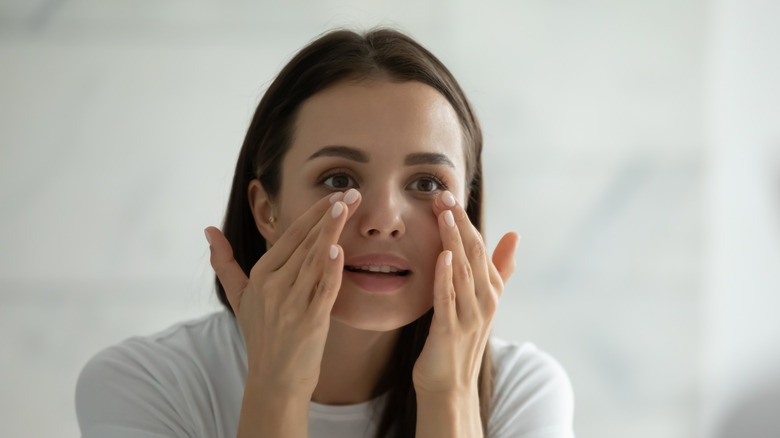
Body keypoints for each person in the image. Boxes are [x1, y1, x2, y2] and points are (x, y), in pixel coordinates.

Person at [75, 27, 575, 438]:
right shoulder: (142, 386)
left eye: (426, 183)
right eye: (339, 180)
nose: (383, 219)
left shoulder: (523, 393)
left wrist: (450, 393)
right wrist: (278, 388)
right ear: (266, 209)